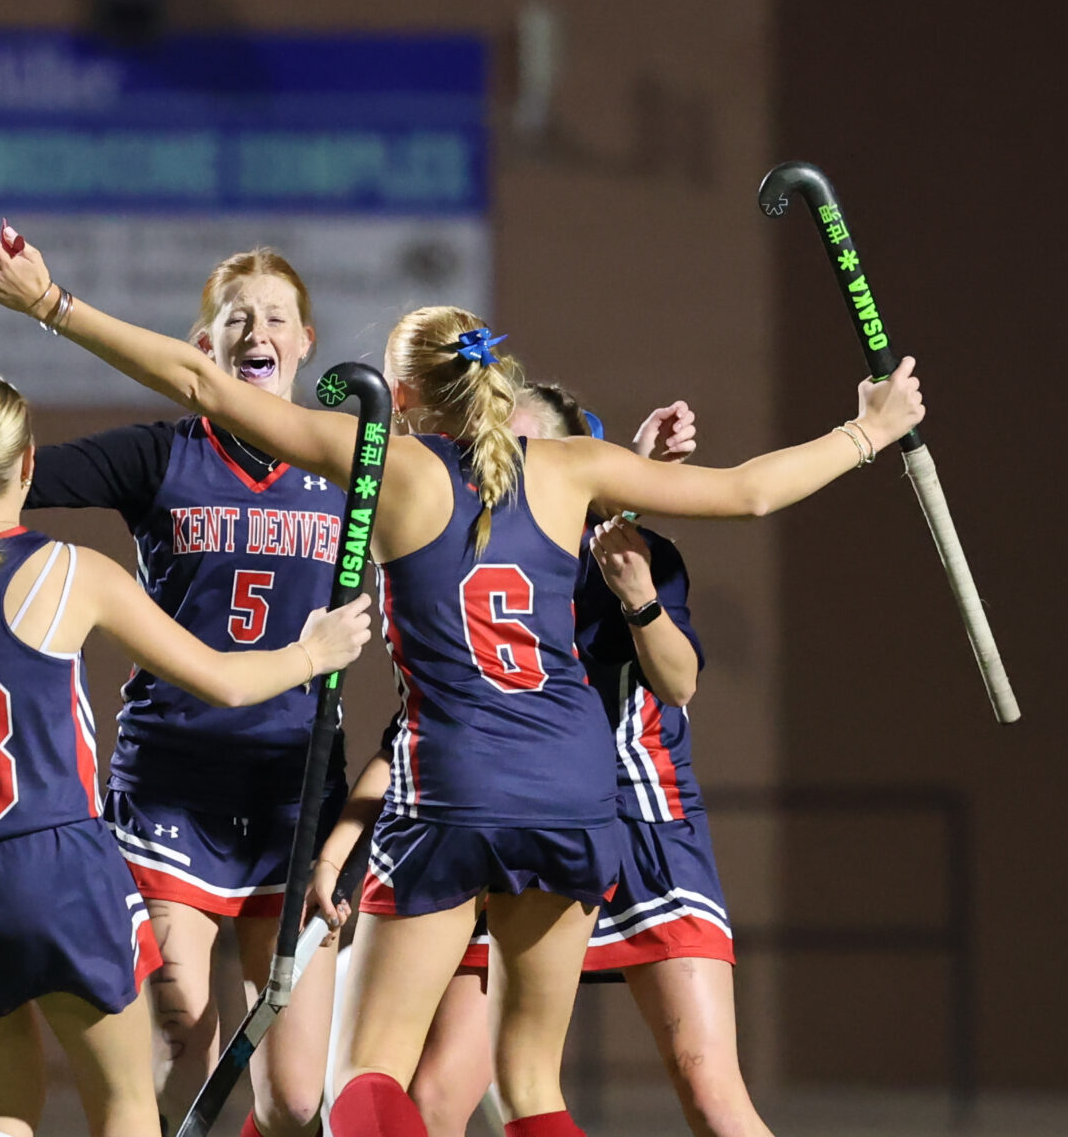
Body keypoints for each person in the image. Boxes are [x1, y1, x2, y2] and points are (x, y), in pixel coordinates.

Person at [0, 209, 924, 1137]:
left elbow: (201, 386)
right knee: (529, 1083)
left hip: (453, 790)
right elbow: (748, 493)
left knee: (362, 1077)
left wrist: (49, 303)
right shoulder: (574, 466)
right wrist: (867, 434)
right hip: (576, 794)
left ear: (401, 398)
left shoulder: (390, 466)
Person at [0, 371, 373, 1137]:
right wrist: (311, 654)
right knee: (125, 1105)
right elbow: (227, 683)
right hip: (54, 866)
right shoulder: (74, 573)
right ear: (29, 463)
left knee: (2, 1105)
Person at [0, 249, 355, 1137]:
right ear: (203, 345)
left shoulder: (351, 465)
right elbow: (0, 486)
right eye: (237, 316)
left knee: (298, 1100)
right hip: (173, 784)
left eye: (275, 317)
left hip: (293, 791)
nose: (257, 331)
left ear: (306, 342)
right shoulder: (161, 455)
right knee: (178, 1050)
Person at [323, 384, 773, 1137]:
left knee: (708, 1089)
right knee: (445, 1093)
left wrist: (638, 587)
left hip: (637, 820)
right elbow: (414, 730)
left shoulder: (629, 554)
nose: (510, 464)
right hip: (515, 822)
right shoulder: (471, 550)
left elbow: (680, 681)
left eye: (530, 448)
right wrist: (338, 851)